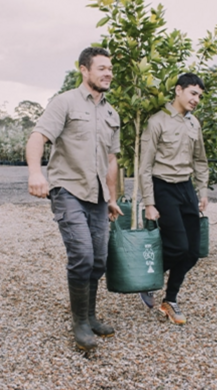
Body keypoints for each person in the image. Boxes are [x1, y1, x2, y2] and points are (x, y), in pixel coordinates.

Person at [25, 47, 122, 351]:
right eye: (102, 68)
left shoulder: (111, 113)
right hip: (68, 190)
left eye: (110, 69)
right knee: (82, 254)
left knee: (99, 260)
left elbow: (111, 159)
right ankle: (79, 322)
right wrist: (35, 173)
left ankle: (90, 315)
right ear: (84, 70)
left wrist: (112, 197)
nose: (108, 73)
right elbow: (38, 136)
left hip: (97, 196)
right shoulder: (64, 102)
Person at [139, 72, 209, 325]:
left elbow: (200, 159)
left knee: (193, 252)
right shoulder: (157, 121)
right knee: (178, 246)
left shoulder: (194, 124)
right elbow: (145, 166)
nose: (196, 99)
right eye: (193, 93)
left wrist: (202, 190)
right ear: (178, 90)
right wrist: (149, 202)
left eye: (200, 96)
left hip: (186, 188)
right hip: (163, 188)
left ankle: (170, 300)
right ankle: (146, 280)